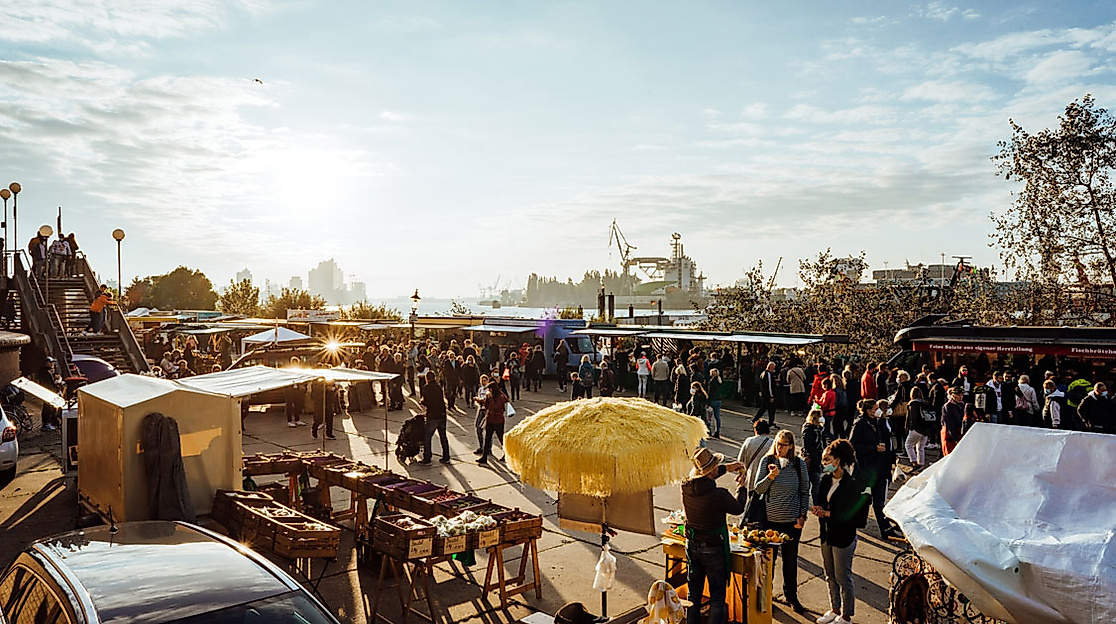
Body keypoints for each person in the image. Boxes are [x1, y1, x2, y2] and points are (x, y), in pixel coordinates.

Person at [680, 448, 747, 624]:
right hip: (712, 549)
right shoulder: (719, 495)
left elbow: (705, 480)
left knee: (693, 594)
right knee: (717, 597)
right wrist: (742, 487)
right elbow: (738, 508)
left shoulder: (686, 486)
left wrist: (727, 468)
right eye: (716, 466)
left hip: (692, 544)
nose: (718, 468)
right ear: (710, 472)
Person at [811, 440, 871, 624]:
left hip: (843, 537)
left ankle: (846, 615)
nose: (824, 463)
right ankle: (834, 609)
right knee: (829, 574)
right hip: (827, 533)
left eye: (827, 459)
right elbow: (820, 500)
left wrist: (828, 513)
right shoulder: (825, 480)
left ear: (837, 460)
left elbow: (850, 514)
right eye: (823, 460)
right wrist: (819, 510)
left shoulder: (850, 484)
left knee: (843, 576)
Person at [753, 430, 809, 614]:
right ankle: (766, 597)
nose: (780, 448)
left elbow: (804, 491)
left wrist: (802, 515)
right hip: (769, 521)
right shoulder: (767, 461)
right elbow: (758, 489)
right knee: (768, 561)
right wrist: (771, 476)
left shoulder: (799, 465)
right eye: (778, 443)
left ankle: (791, 596)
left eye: (784, 444)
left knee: (790, 561)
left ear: (791, 446)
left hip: (791, 521)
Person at [849, 399, 898, 540]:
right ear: (868, 410)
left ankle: (886, 529)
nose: (878, 410)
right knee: (863, 500)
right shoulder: (860, 424)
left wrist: (891, 459)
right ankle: (854, 524)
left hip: (880, 468)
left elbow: (887, 439)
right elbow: (853, 445)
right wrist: (873, 448)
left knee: (879, 502)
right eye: (875, 407)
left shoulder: (879, 422)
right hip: (866, 469)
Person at [736, 419, 774, 513]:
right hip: (767, 479)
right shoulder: (772, 443)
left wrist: (741, 474)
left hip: (751, 478)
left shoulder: (748, 441)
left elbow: (740, 460)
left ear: (755, 429)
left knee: (752, 503)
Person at [419, 373, 450, 465]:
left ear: (426, 378)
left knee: (427, 437)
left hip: (433, 415)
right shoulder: (438, 387)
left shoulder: (426, 388)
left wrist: (422, 402)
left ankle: (427, 457)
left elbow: (428, 402)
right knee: (443, 436)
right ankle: (446, 456)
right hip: (442, 414)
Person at [478, 380, 509, 465]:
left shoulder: (500, 396)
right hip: (490, 419)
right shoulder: (491, 396)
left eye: (490, 389)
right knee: (487, 438)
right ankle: (484, 457)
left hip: (498, 420)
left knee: (501, 439)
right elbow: (487, 406)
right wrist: (484, 401)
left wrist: (489, 398)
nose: (489, 391)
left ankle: (507, 454)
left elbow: (495, 406)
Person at [904, 386, 934, 470]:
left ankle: (914, 462)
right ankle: (921, 463)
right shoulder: (925, 403)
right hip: (926, 429)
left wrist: (910, 427)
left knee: (908, 445)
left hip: (917, 428)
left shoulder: (913, 404)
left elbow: (913, 418)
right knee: (921, 447)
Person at [800, 409, 825, 505]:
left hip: (817, 460)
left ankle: (816, 503)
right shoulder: (809, 429)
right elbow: (808, 446)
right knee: (812, 483)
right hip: (811, 461)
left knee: (816, 484)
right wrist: (816, 456)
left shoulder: (819, 429)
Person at [940, 387, 965, 455]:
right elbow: (948, 423)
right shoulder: (947, 406)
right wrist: (954, 437)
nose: (960, 397)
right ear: (953, 395)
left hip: (960, 431)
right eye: (958, 395)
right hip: (949, 433)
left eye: (961, 395)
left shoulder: (962, 405)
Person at [707, 369, 724, 438]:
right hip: (718, 400)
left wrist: (707, 402)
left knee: (709, 417)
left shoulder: (711, 382)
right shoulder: (719, 381)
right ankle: (717, 431)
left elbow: (710, 393)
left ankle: (709, 430)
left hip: (712, 400)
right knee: (717, 417)